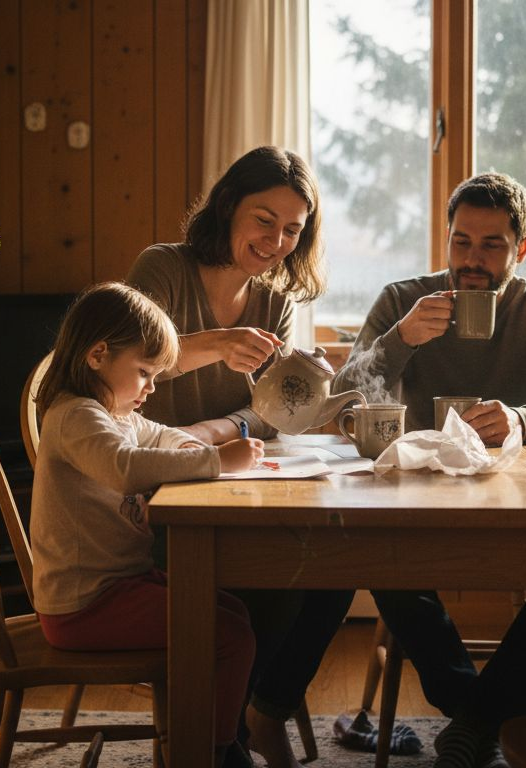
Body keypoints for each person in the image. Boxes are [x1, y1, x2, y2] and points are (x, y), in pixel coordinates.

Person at [273, 172, 526, 768]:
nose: (472, 260)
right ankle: (477, 715)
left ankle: (473, 720)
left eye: (491, 245)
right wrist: (401, 340)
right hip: (414, 497)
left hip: (513, 497)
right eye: (461, 242)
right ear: (447, 239)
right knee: (377, 554)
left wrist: (522, 418)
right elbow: (341, 397)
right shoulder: (405, 301)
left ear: (520, 248)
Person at [126, 146, 349, 768]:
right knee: (263, 582)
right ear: (229, 208)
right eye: (264, 219)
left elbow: (270, 411)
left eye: (292, 229)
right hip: (150, 490)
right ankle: (222, 739)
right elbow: (123, 363)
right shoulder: (163, 270)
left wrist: (225, 423)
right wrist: (215, 345)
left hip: (228, 477)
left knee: (331, 568)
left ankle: (253, 714)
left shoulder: (274, 301)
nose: (276, 240)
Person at [28, 282, 264, 768]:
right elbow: (127, 467)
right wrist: (218, 463)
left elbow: (167, 439)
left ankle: (211, 738)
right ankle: (213, 751)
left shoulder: (118, 415)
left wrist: (202, 449)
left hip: (119, 586)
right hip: (83, 605)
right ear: (98, 355)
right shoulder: (74, 416)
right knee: (228, 634)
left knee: (234, 615)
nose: (151, 388)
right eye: (144, 372)